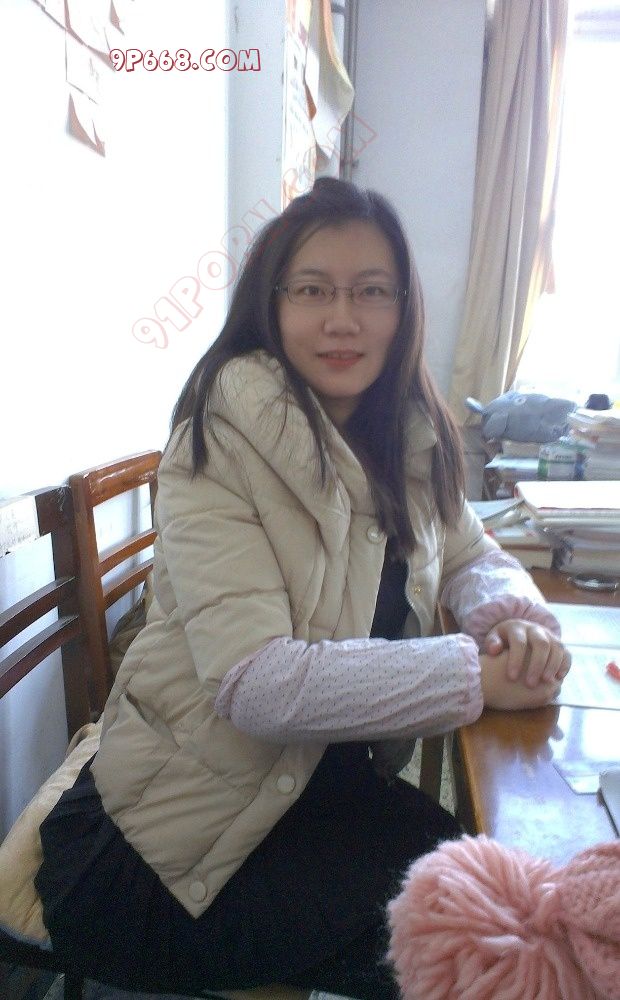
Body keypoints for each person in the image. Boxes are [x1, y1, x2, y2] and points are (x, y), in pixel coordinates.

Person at [35, 178, 571, 1000]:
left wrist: (510, 617)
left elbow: (470, 549)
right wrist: (472, 673)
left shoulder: (403, 432)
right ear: (272, 303)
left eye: (372, 292)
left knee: (519, 896)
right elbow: (258, 683)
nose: (343, 318)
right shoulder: (219, 442)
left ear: (403, 309)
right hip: (176, 847)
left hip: (313, 795)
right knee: (501, 949)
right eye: (313, 290)